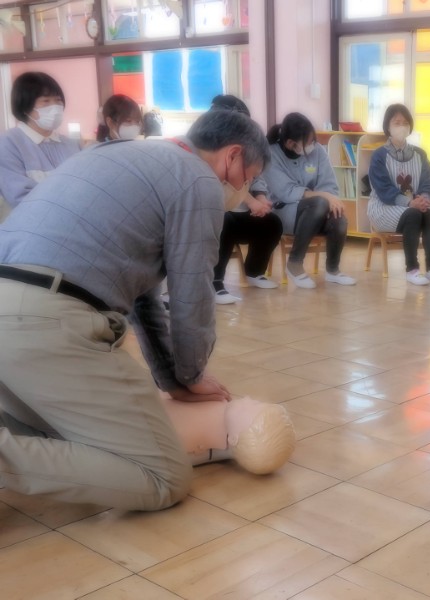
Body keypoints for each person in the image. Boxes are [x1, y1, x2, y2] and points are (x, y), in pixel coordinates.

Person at [0, 109, 269, 511]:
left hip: (16, 309)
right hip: (45, 320)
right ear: (232, 156)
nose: (245, 188)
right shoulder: (198, 180)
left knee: (57, 434)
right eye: (250, 177)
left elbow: (143, 297)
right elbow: (191, 295)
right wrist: (192, 375)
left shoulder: (120, 154)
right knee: (164, 478)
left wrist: (174, 379)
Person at [263, 112, 355, 289]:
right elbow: (287, 192)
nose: (313, 144)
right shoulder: (271, 154)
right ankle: (295, 263)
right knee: (320, 202)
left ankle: (333, 270)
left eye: (313, 139)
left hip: (317, 210)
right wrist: (324, 197)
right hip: (285, 212)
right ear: (291, 143)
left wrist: (328, 198)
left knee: (339, 218)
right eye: (308, 141)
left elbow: (329, 185)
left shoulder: (318, 151)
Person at [208, 94, 283, 303]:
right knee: (224, 221)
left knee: (272, 223)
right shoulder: (208, 147)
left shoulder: (245, 145)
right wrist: (251, 201)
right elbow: (221, 182)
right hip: (217, 212)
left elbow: (255, 175)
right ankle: (215, 282)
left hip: (241, 210)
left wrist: (260, 198)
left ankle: (254, 272)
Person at [367, 103, 430, 286]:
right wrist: (411, 203)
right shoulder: (379, 155)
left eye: (405, 122)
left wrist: (424, 200)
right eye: (396, 122)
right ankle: (412, 269)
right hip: (383, 207)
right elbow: (384, 189)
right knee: (413, 215)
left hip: (415, 205)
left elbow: (428, 182)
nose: (401, 126)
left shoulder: (420, 154)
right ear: (388, 126)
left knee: (429, 214)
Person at [0, 71, 82, 220]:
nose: (55, 107)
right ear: (25, 107)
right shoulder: (8, 144)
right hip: (29, 228)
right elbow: (20, 197)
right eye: (46, 101)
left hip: (73, 224)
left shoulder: (70, 145)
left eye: (58, 100)